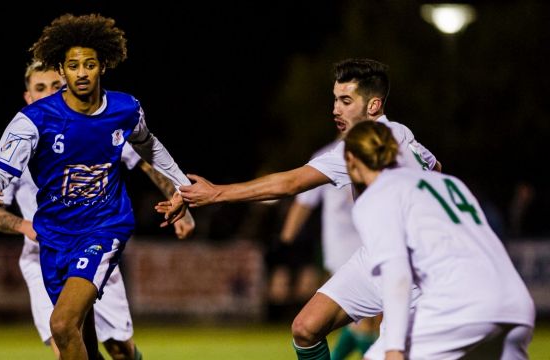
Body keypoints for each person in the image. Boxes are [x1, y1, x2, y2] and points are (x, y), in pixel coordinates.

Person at [157, 58, 441, 360]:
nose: (335, 110)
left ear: (373, 106)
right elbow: (435, 166)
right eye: (335, 100)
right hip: (374, 255)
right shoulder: (402, 133)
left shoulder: (360, 147)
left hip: (412, 266)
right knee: (306, 328)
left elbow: (290, 183)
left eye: (346, 101)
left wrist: (215, 194)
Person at [0, 13, 191, 360]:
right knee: (76, 340)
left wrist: (182, 189)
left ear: (101, 66)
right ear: (61, 70)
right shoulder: (33, 121)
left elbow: (148, 148)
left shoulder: (123, 109)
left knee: (64, 325)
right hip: (52, 239)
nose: (81, 72)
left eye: (89, 64)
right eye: (73, 65)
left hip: (102, 230)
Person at [344, 120, 535, 359]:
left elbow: (397, 274)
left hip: (460, 305)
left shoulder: (376, 195)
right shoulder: (450, 183)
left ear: (351, 160)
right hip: (517, 304)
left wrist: (394, 349)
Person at [280, 133, 379, 359]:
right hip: (343, 247)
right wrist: (287, 238)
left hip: (373, 245)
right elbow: (303, 199)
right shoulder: (330, 155)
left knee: (374, 319)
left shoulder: (381, 149)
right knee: (365, 320)